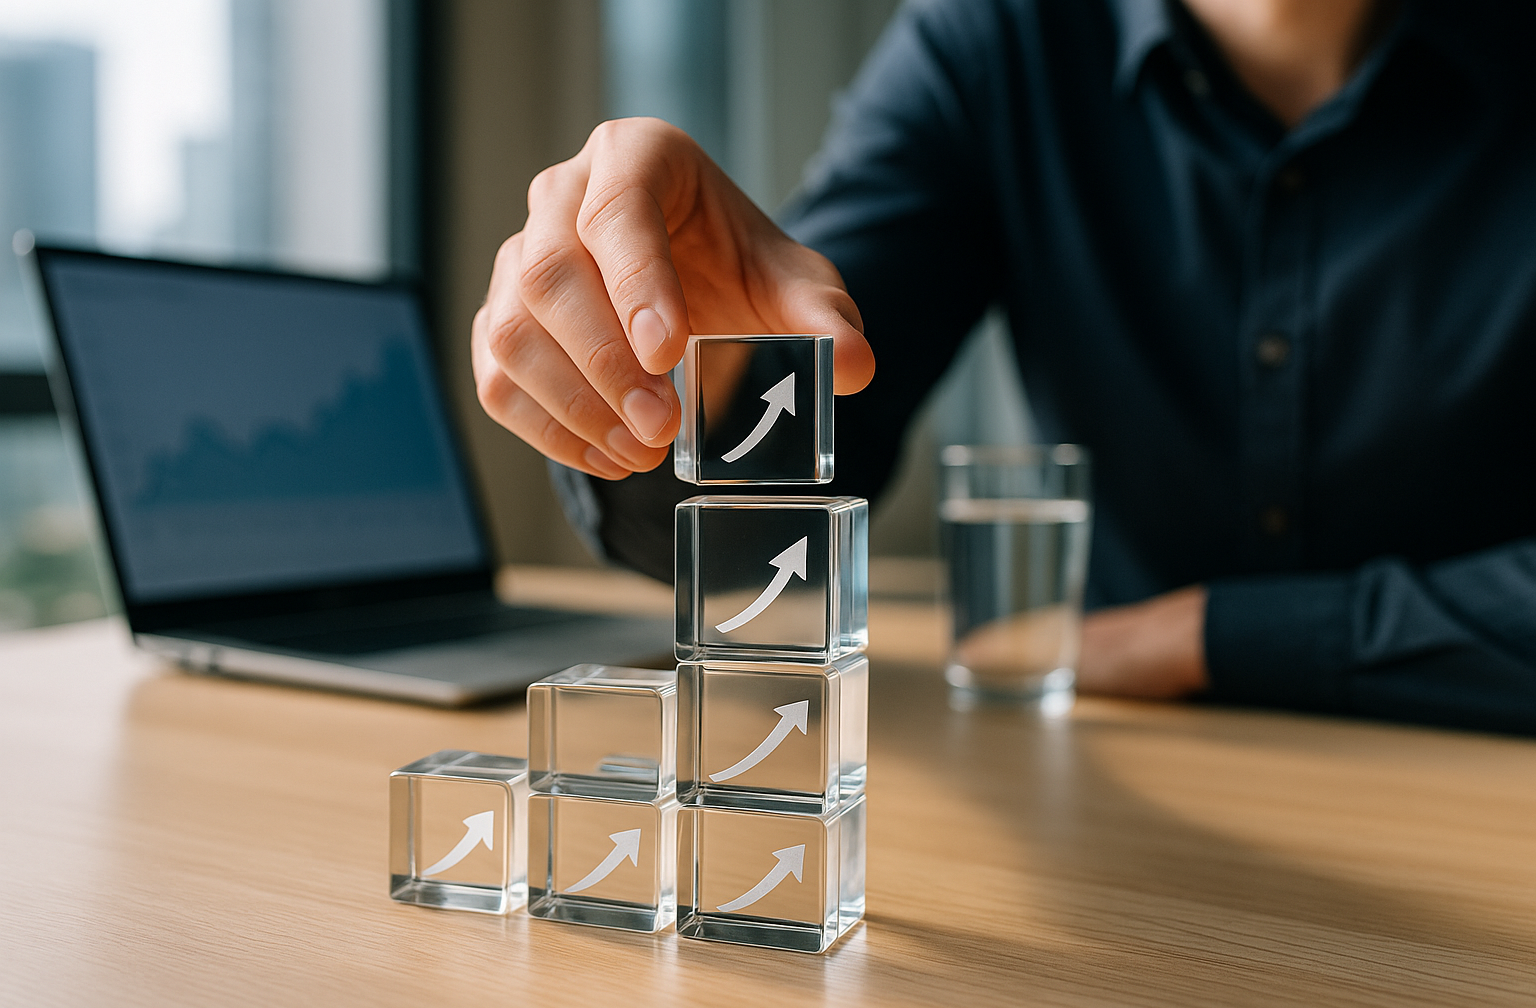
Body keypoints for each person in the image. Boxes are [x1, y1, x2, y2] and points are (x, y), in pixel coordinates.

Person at [470, 0, 1536, 734]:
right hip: (1099, 783)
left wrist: (1202, 636)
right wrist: (695, 381)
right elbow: (777, 521)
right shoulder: (997, 38)